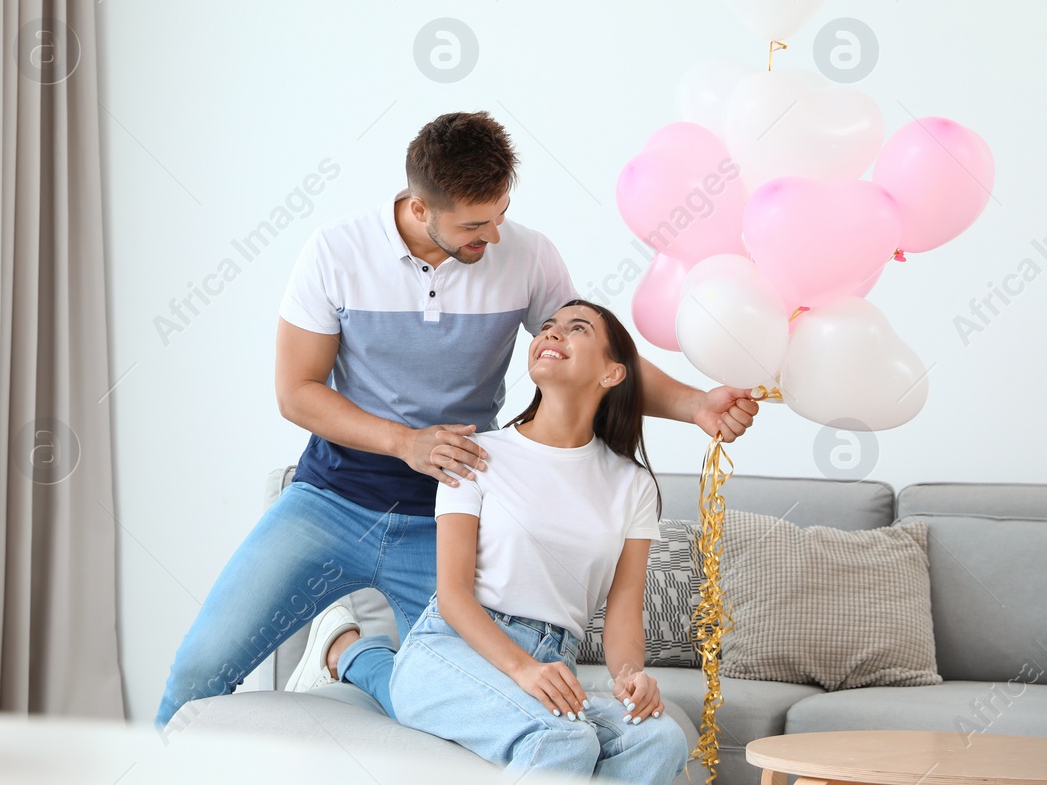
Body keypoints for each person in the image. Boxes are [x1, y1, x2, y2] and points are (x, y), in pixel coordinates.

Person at [153, 111, 757, 731]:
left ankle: (352, 653)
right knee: (199, 672)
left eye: (500, 214)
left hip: (447, 518)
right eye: (474, 224)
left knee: (463, 709)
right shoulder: (336, 252)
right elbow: (296, 393)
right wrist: (404, 442)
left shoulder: (528, 256)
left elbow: (600, 359)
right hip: (331, 500)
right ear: (419, 207)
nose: (493, 236)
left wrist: (694, 405)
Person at [387, 299, 688, 781]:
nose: (551, 334)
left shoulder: (634, 485)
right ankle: (357, 656)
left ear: (612, 374)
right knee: (562, 737)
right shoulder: (477, 454)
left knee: (658, 739)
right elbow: (453, 596)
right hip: (453, 652)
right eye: (547, 327)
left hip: (555, 661)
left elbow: (624, 609)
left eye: (576, 329)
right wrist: (523, 669)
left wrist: (630, 674)